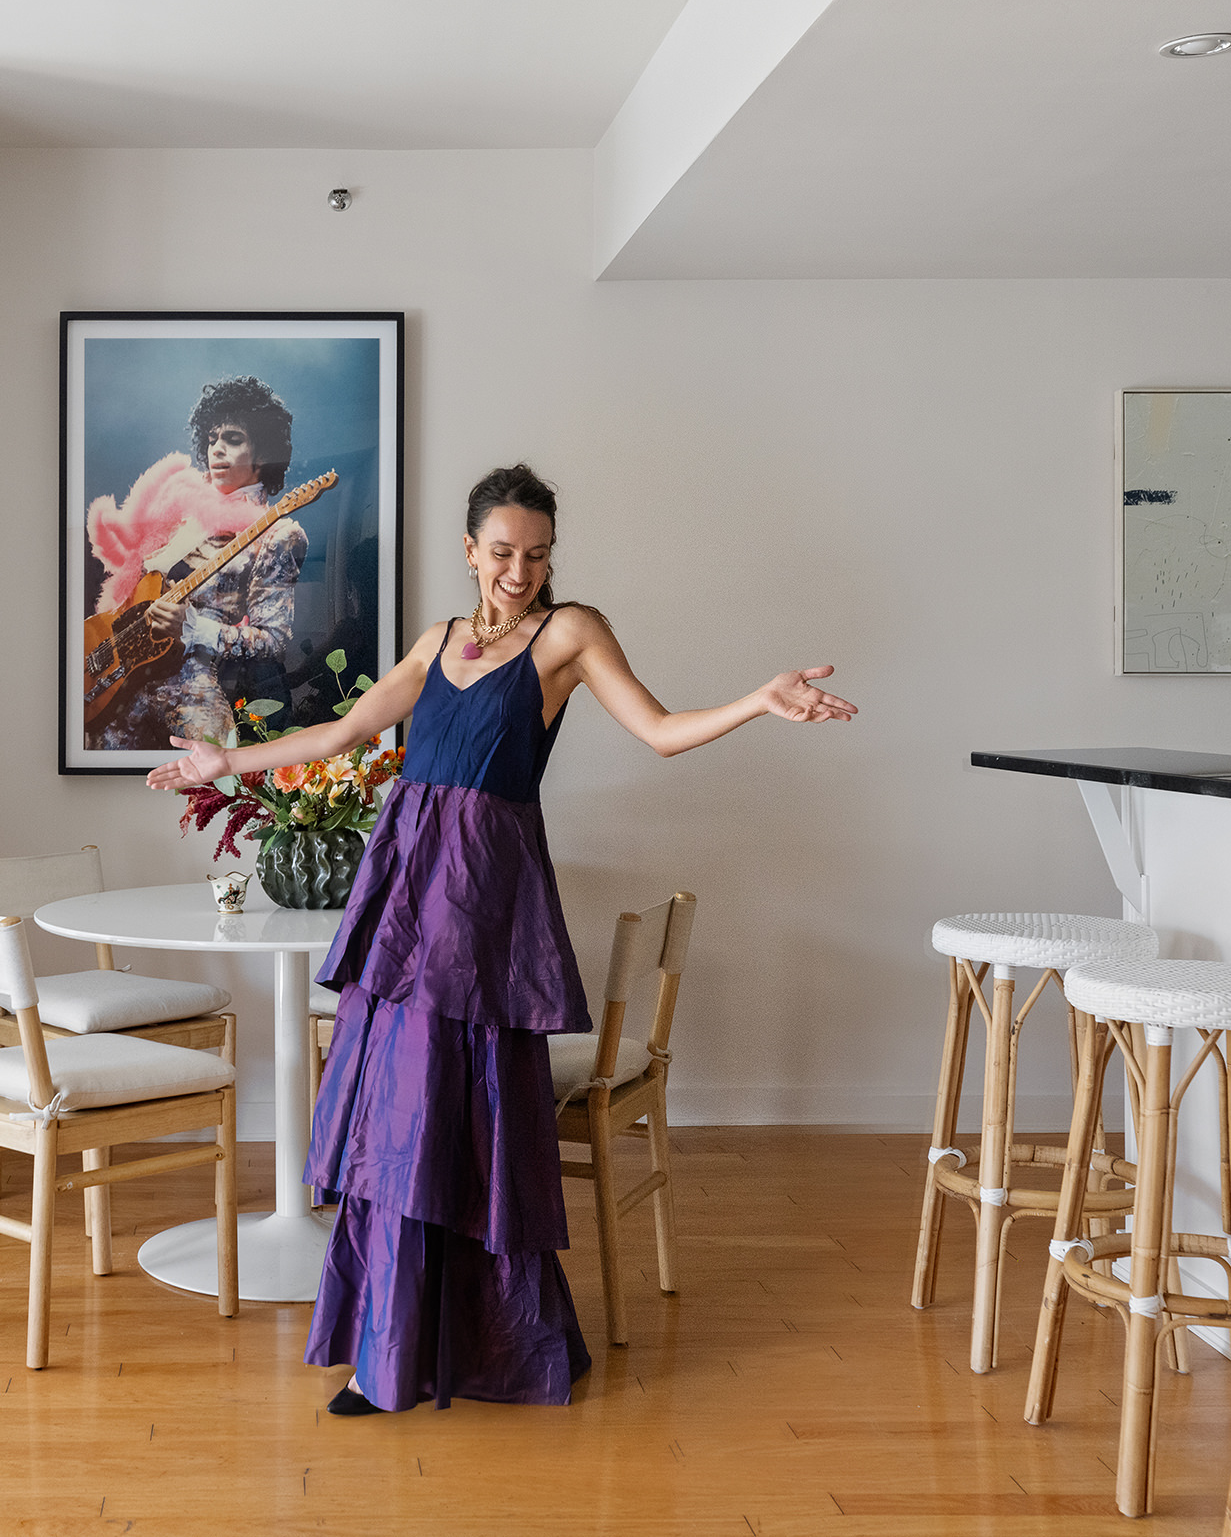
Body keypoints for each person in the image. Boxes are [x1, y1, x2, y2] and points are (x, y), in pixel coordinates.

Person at [146, 463, 856, 1413]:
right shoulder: (438, 640)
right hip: (407, 885)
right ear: (469, 551)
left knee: (447, 1108)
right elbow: (347, 733)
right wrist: (224, 760)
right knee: (394, 1114)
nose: (519, 572)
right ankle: (387, 1350)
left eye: (537, 555)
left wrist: (757, 702)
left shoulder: (569, 632)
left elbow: (659, 731)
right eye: (502, 553)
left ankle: (456, 1347)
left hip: (480, 896)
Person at [89, 376, 306, 750]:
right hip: (124, 687)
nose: (217, 449)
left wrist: (194, 628)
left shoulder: (277, 533)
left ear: (264, 451)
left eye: (233, 439)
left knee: (218, 788)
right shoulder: (173, 517)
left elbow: (273, 642)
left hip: (196, 690)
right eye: (211, 439)